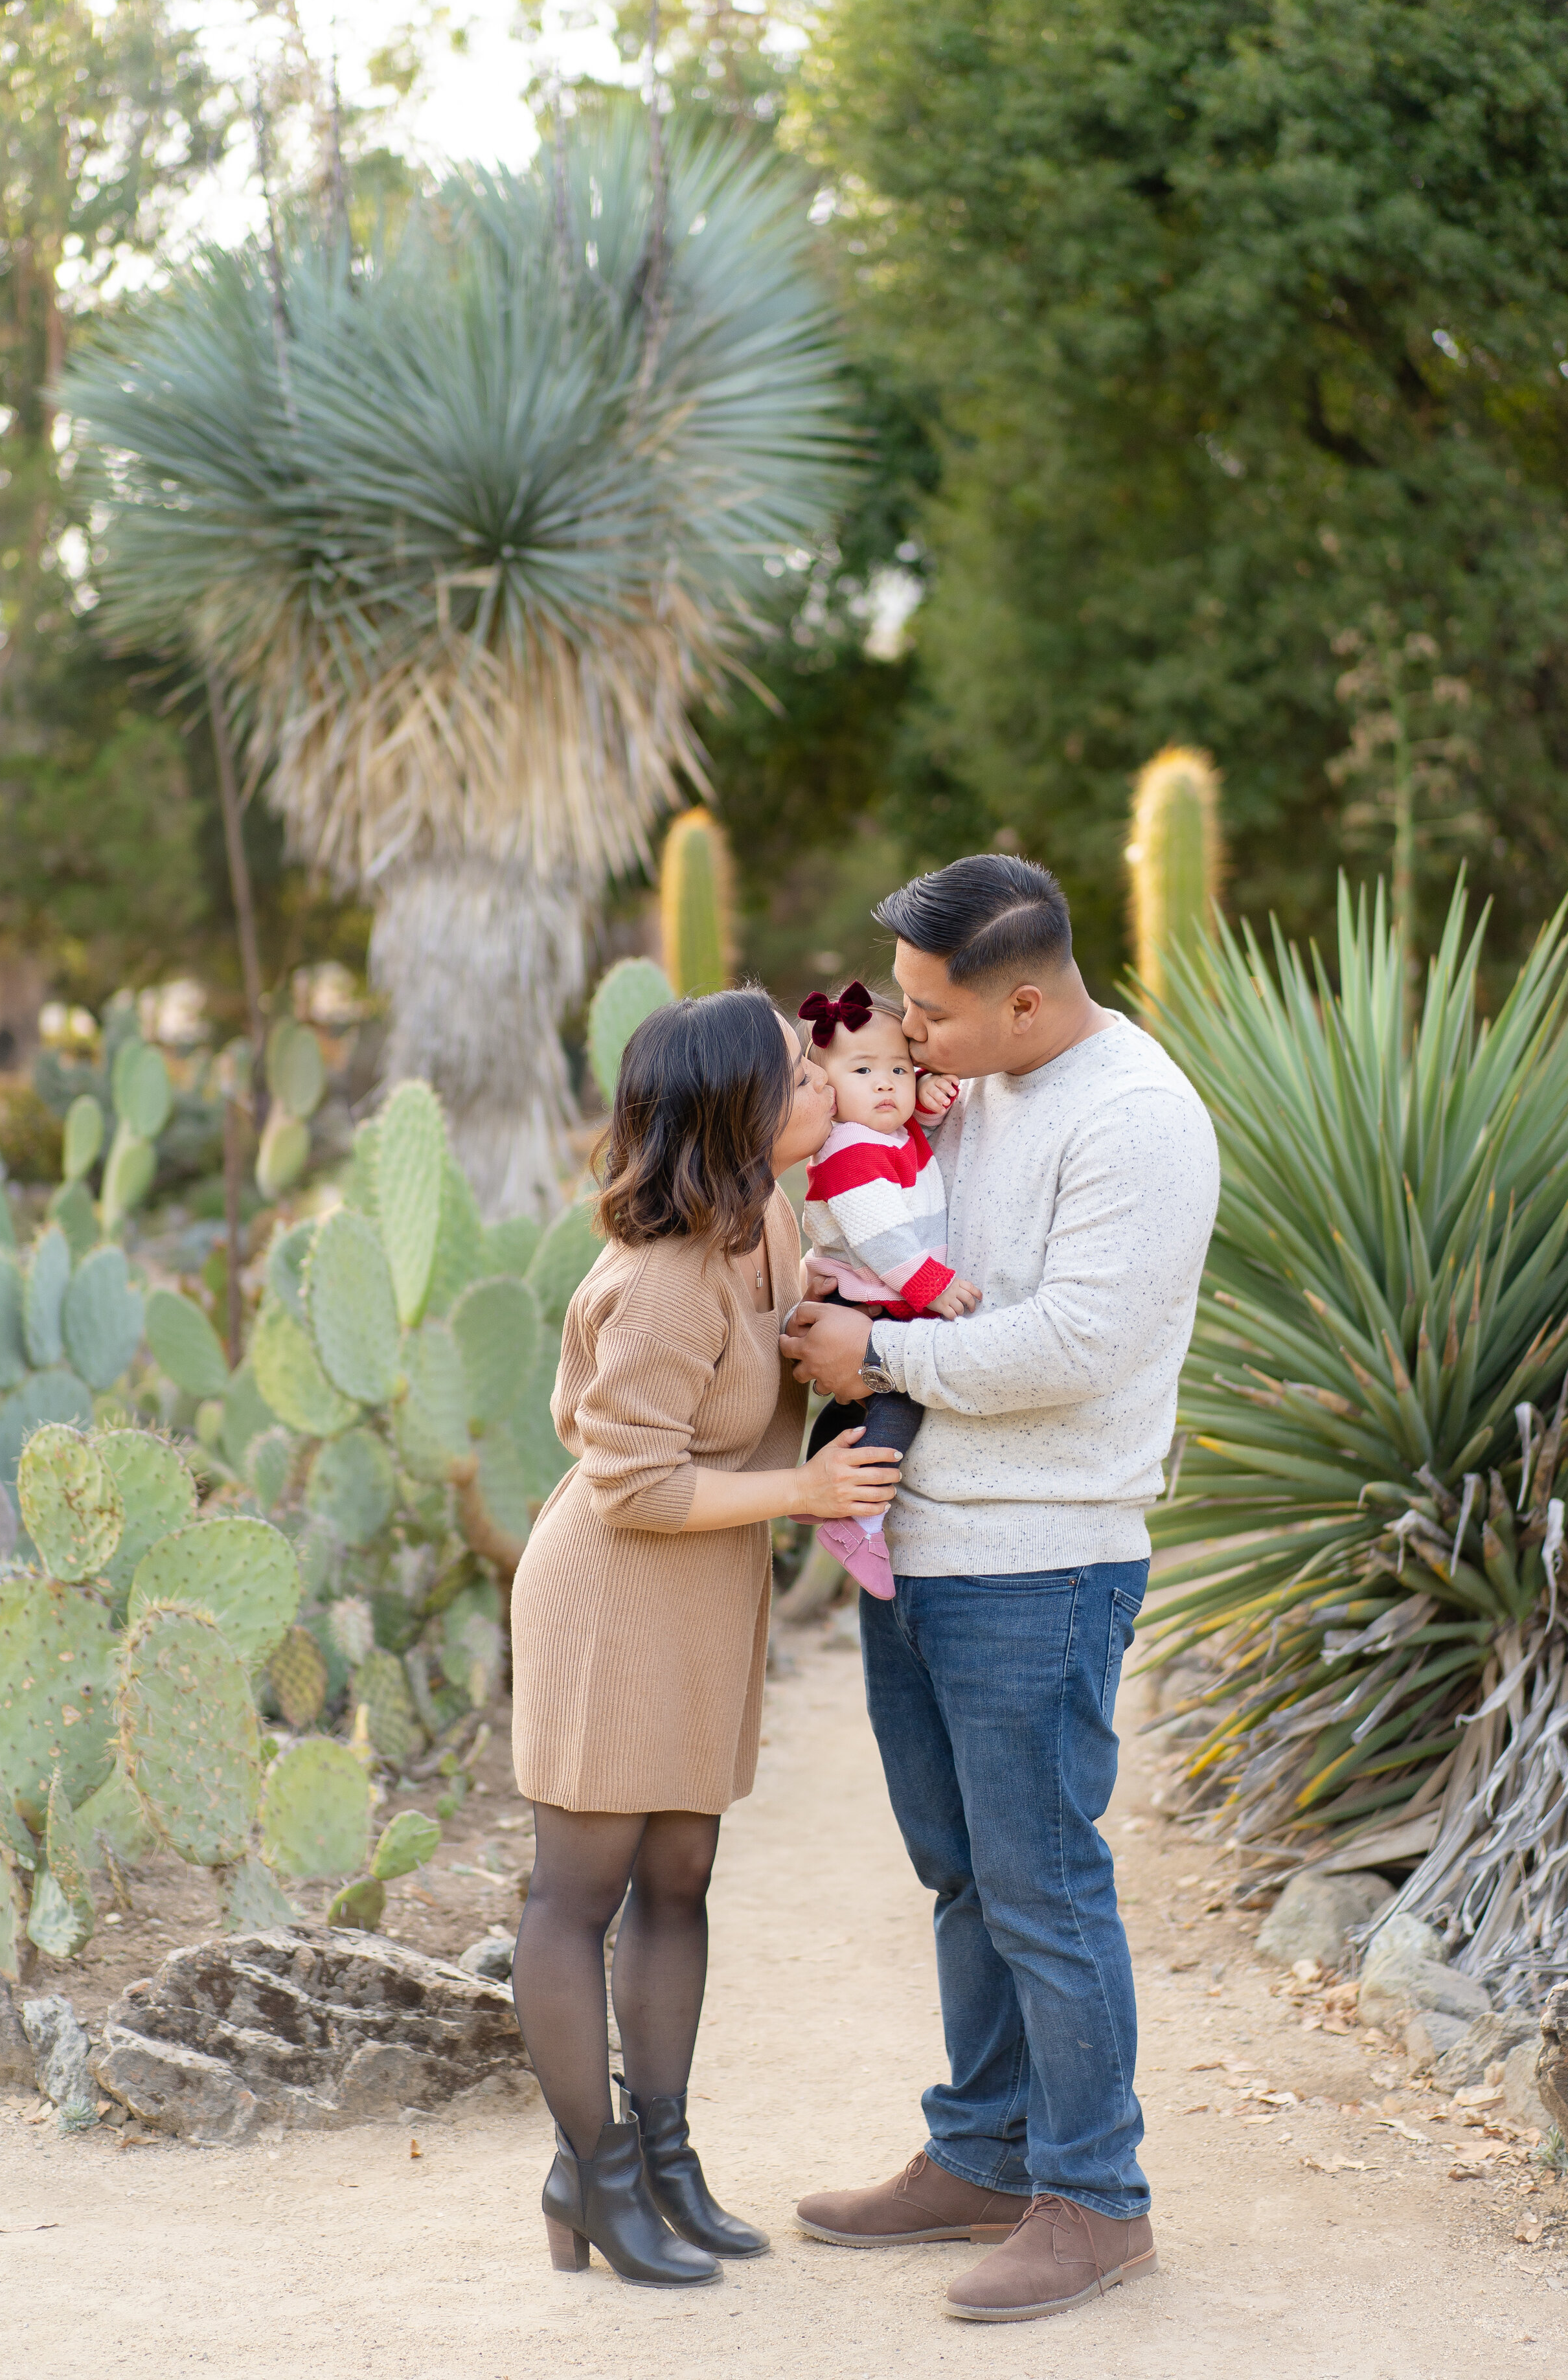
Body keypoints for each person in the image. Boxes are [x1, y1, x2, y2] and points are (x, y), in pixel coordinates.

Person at [781, 854, 1220, 2326]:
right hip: (923, 1543)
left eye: (929, 1015)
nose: (905, 1040)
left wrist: (879, 1359)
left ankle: (1096, 2197)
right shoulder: (991, 1084)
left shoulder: (1139, 1117)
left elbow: (1073, 1344)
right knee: (965, 1870)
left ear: (1026, 998)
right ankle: (981, 2149)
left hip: (1044, 1557)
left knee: (1042, 1880)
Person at [508, 988, 904, 2289]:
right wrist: (803, 1492)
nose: (824, 1082)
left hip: (699, 1588)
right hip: (615, 1592)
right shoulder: (669, 1280)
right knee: (577, 1898)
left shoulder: (767, 1225)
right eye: (798, 1072)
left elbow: (773, 1369)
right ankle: (591, 2169)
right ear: (737, 1110)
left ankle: (662, 2158)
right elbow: (634, 1487)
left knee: (679, 1878)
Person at [793, 980, 977, 1598]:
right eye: (864, 1069)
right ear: (826, 1087)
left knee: (854, 1406)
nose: (885, 1083)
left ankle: (819, 1485)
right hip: (871, 1290)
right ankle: (857, 1520)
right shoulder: (847, 1147)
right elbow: (880, 1233)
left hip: (880, 1289)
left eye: (899, 1068)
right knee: (899, 1401)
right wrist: (930, 1286)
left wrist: (927, 1098)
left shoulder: (886, 1133)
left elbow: (911, 1132)